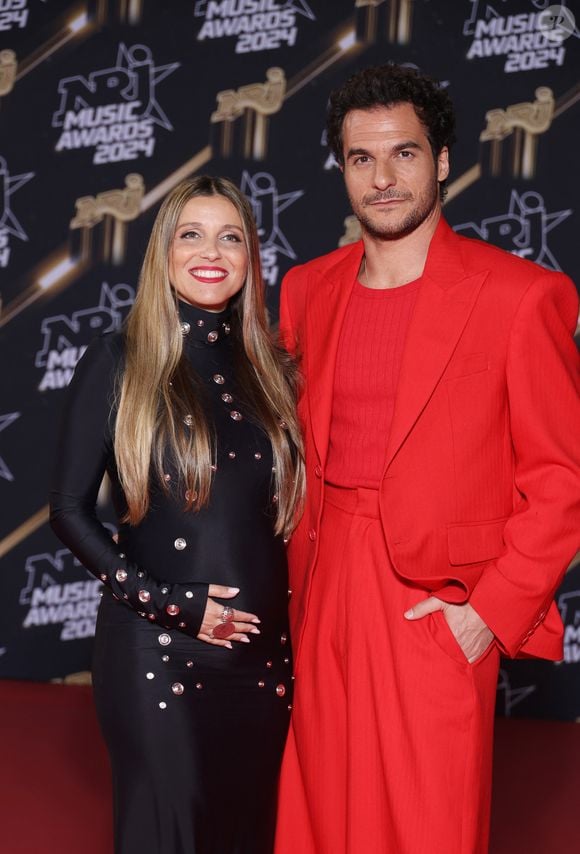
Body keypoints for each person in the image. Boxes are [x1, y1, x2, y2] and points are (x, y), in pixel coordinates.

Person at [274, 64, 580, 854]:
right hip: (320, 582)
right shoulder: (307, 291)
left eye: (404, 154)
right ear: (341, 167)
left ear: (442, 160)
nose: (382, 178)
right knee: (317, 819)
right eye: (361, 158)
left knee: (428, 825)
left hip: (432, 600)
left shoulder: (521, 297)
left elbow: (560, 478)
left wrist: (488, 616)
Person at [49, 175, 304, 854]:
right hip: (157, 655)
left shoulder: (274, 370)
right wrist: (171, 605)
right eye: (191, 233)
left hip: (265, 670)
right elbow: (69, 511)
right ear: (163, 251)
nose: (210, 251)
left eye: (231, 237)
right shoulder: (118, 359)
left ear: (252, 257)